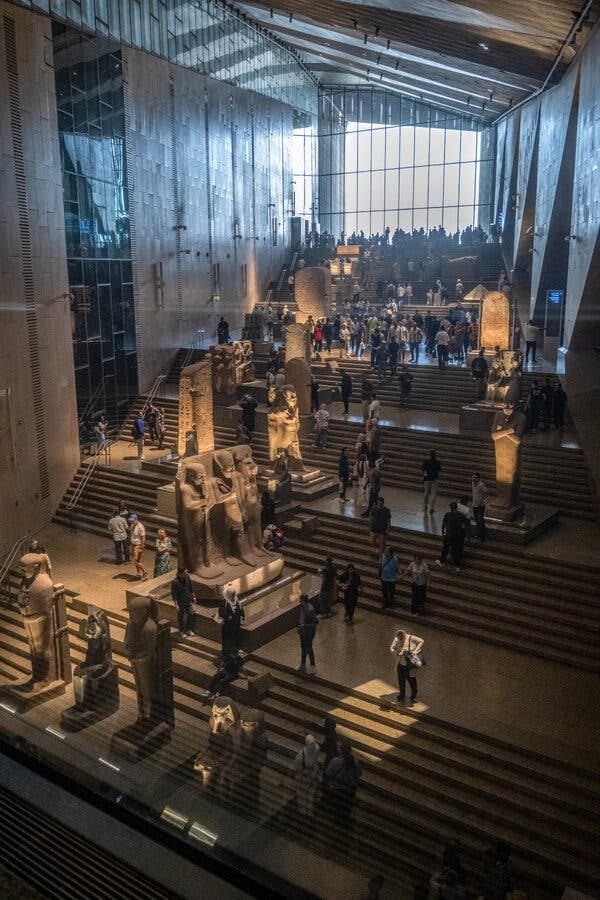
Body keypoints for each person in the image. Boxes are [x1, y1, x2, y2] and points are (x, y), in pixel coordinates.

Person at [322, 739, 362, 831]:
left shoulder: (335, 761)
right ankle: (345, 822)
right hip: (350, 789)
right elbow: (358, 774)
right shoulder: (355, 762)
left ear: (340, 751)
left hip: (337, 788)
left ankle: (338, 824)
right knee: (347, 807)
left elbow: (328, 773)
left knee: (338, 807)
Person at [390, 629, 424, 706]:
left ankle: (413, 695)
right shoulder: (396, 639)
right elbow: (392, 648)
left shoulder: (411, 638)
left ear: (405, 635)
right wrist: (396, 652)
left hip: (410, 665)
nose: (401, 640)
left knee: (412, 680)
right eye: (399, 638)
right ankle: (402, 694)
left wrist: (416, 650)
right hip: (401, 665)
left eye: (402, 638)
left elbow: (421, 641)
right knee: (401, 681)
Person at [436, 502, 469, 572]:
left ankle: (442, 562)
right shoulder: (461, 515)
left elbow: (443, 525)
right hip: (457, 536)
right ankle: (457, 566)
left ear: (451, 508)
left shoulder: (447, 515)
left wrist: (443, 533)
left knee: (445, 549)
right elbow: (465, 527)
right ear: (457, 508)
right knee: (456, 551)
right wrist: (464, 535)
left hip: (449, 535)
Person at [294, 734, 321, 816]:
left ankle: (305, 813)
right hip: (310, 775)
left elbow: (297, 768)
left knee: (304, 796)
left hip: (307, 776)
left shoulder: (301, 754)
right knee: (308, 796)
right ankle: (308, 813)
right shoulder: (316, 748)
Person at [218, 584, 245, 656]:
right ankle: (227, 651)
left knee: (236, 636)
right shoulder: (225, 602)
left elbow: (240, 608)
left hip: (236, 622)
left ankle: (236, 648)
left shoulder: (236, 600)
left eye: (234, 594)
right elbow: (221, 612)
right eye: (232, 594)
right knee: (228, 638)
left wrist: (242, 616)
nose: (233, 595)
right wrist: (228, 617)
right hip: (228, 625)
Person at [171, 567, 196, 637]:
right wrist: (176, 605)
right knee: (181, 617)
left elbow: (190, 587)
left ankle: (189, 630)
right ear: (180, 574)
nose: (187, 573)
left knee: (191, 614)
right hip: (181, 602)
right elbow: (174, 594)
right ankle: (181, 631)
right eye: (185, 572)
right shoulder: (175, 582)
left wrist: (193, 596)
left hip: (188, 599)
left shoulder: (187, 577)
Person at [296, 593, 318, 674]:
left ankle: (313, 666)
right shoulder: (302, 607)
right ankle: (303, 664)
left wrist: (304, 625)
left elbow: (315, 623)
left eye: (300, 600)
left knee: (309, 648)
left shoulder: (310, 610)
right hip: (303, 631)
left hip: (309, 633)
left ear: (303, 600)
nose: (299, 601)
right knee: (303, 648)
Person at [379, 545, 400, 609]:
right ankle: (385, 603)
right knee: (384, 591)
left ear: (390, 553)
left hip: (392, 578)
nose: (385, 552)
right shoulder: (382, 556)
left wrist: (399, 574)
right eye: (385, 550)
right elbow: (380, 563)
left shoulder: (394, 559)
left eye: (386, 551)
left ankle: (390, 603)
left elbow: (397, 567)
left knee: (391, 591)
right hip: (384, 577)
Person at [421, 449, 441, 514]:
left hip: (427, 479)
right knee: (433, 494)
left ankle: (425, 505)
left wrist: (425, 476)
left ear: (429, 454)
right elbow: (439, 471)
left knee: (426, 492)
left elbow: (423, 470)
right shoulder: (437, 462)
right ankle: (432, 508)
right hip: (435, 479)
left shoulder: (426, 461)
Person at [128, 514, 147, 579]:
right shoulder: (132, 525)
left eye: (133, 520)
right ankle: (138, 573)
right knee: (137, 560)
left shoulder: (140, 526)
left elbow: (143, 537)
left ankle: (144, 571)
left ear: (136, 519)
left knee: (135, 560)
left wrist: (141, 546)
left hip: (138, 545)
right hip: (133, 544)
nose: (132, 522)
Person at [471, 473, 489, 542]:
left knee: (480, 520)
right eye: (473, 477)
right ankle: (479, 534)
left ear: (478, 478)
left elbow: (486, 493)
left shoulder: (481, 485)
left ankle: (483, 536)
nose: (473, 479)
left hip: (480, 506)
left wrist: (482, 501)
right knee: (477, 520)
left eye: (475, 477)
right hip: (474, 505)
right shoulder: (472, 484)